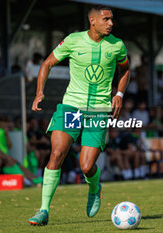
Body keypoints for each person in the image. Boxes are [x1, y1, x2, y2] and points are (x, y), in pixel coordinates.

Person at [28, 5, 130, 226]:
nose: (111, 23)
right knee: (56, 154)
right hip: (71, 107)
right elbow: (47, 63)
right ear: (92, 21)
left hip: (98, 110)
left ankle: (94, 187)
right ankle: (43, 210)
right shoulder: (73, 40)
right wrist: (39, 92)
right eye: (106, 19)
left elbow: (125, 70)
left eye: (112, 19)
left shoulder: (117, 46)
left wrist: (119, 93)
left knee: (86, 166)